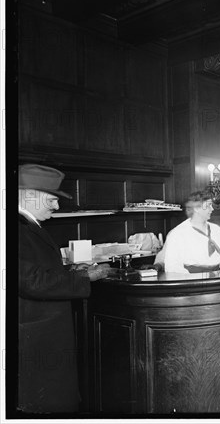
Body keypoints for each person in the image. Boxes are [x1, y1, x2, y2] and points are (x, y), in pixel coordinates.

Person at [18, 164, 110, 413]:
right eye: (52, 199)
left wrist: (73, 271)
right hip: (36, 338)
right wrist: (84, 278)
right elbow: (31, 281)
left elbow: (38, 273)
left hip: (43, 335)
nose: (57, 206)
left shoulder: (29, 225)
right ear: (29, 195)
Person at [162, 191, 220, 273]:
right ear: (196, 209)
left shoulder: (217, 230)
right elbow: (172, 266)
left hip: (218, 278)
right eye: (208, 205)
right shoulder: (177, 234)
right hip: (192, 280)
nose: (212, 209)